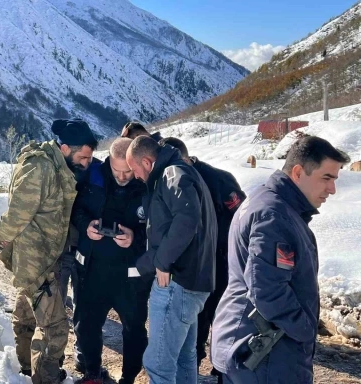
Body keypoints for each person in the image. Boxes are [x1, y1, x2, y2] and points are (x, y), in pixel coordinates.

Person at [211, 136, 350, 384]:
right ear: (298, 172)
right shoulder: (274, 216)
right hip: (264, 356)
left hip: (255, 347)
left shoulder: (271, 202)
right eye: (326, 178)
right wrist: (306, 330)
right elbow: (268, 290)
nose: (332, 189)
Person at [0, 118, 97, 384]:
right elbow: (17, 213)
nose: (86, 163)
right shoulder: (41, 168)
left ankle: (28, 368)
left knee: (27, 312)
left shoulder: (55, 165)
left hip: (40, 255)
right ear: (64, 149)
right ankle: (46, 379)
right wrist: (0, 241)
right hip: (35, 258)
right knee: (55, 327)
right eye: (83, 157)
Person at [125, 136, 218, 384]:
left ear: (146, 162)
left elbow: (187, 219)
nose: (134, 176)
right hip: (194, 283)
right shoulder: (187, 173)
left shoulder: (172, 174)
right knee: (183, 359)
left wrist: (162, 262)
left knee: (158, 364)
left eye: (134, 169)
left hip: (177, 283)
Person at [159, 137, 246, 376]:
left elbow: (243, 219)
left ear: (185, 158)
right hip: (188, 266)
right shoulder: (165, 179)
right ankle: (191, 373)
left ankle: (223, 372)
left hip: (221, 263)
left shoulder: (218, 179)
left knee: (224, 320)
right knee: (192, 324)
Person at [71, 138, 150, 384]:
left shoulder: (146, 183)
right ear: (109, 161)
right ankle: (93, 372)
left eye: (128, 170)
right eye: (117, 170)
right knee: (87, 324)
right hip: (93, 269)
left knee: (134, 330)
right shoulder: (92, 176)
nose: (124, 176)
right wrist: (87, 226)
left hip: (131, 275)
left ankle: (128, 377)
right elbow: (75, 210)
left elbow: (159, 228)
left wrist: (135, 238)